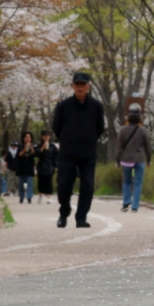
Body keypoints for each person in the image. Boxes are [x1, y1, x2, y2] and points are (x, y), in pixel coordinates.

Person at [51, 71, 106, 228]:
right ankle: (64, 211)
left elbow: (100, 128)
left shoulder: (96, 106)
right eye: (77, 84)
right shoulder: (63, 106)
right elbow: (56, 127)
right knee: (64, 184)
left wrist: (88, 139)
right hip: (67, 152)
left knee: (88, 185)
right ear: (72, 86)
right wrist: (67, 139)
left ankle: (81, 217)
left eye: (83, 84)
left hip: (88, 152)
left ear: (88, 86)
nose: (80, 87)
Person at [116, 106, 153, 212]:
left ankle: (126, 203)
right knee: (138, 182)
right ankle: (135, 206)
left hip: (126, 160)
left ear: (128, 118)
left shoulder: (122, 130)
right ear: (139, 118)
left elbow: (118, 147)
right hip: (139, 160)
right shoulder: (143, 130)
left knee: (127, 181)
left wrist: (117, 161)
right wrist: (149, 160)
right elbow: (148, 147)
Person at [14, 131, 37, 204]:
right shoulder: (20, 146)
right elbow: (19, 155)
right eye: (26, 137)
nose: (28, 138)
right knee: (21, 184)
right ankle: (21, 197)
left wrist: (30, 147)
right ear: (23, 138)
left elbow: (34, 154)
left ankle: (29, 197)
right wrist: (25, 149)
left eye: (29, 137)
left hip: (29, 167)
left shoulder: (33, 146)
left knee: (30, 182)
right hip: (21, 167)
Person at [36, 129, 57, 204]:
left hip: (50, 165)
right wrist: (43, 147)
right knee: (41, 181)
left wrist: (56, 165)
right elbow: (37, 154)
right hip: (41, 165)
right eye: (44, 136)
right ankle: (41, 195)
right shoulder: (38, 145)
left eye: (48, 136)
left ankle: (48, 196)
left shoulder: (53, 146)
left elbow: (56, 156)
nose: (46, 137)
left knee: (49, 181)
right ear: (42, 137)